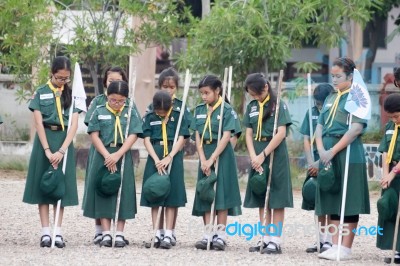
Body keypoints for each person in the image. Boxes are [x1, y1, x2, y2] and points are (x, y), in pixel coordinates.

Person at [22, 56, 81, 248]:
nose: (63, 81)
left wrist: (62, 150)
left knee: (60, 187)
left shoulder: (72, 95)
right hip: (45, 141)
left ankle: (58, 231)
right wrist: (47, 150)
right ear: (52, 73)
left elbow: (74, 125)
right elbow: (38, 122)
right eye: (59, 78)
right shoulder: (40, 92)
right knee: (44, 184)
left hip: (64, 141)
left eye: (66, 78)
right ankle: (45, 231)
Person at [315, 57, 370, 261]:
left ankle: (345, 248)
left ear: (350, 76)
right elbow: (320, 126)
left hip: (347, 152)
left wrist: (333, 151)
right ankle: (335, 243)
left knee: (349, 200)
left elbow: (355, 129)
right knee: (333, 198)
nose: (335, 80)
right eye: (333, 76)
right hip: (328, 152)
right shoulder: (330, 97)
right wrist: (321, 150)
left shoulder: (356, 97)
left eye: (339, 76)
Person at [83, 80, 142, 248]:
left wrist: (118, 154)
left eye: (121, 101)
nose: (117, 104)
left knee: (123, 192)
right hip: (103, 155)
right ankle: (106, 232)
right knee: (103, 190)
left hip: (122, 154)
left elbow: (134, 134)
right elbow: (94, 134)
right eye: (113, 100)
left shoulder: (130, 112)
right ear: (107, 97)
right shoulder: (99, 110)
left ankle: (120, 233)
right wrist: (107, 155)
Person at [243, 73, 293, 254]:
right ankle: (264, 237)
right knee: (261, 194)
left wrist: (263, 154)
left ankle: (275, 240)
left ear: (265, 87)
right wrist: (253, 156)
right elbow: (248, 133)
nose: (254, 97)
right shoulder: (252, 107)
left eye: (256, 94)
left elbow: (281, 133)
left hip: (274, 153)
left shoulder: (278, 105)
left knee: (276, 198)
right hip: (257, 153)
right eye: (251, 95)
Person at [192, 74, 242, 251]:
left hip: (222, 154)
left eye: (207, 93)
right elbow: (197, 136)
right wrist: (204, 159)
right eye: (202, 93)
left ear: (217, 91)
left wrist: (212, 158)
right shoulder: (199, 110)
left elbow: (227, 136)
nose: (204, 96)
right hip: (204, 154)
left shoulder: (226, 110)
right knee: (206, 191)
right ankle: (207, 234)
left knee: (221, 194)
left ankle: (220, 235)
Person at [145, 67, 193, 246]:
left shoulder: (180, 108)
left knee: (172, 194)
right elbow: (146, 137)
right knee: (155, 191)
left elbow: (183, 136)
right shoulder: (152, 107)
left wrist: (170, 156)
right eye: (164, 87)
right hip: (156, 154)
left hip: (173, 153)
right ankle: (157, 231)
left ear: (177, 88)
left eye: (171, 87)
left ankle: (170, 233)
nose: (168, 90)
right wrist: (158, 159)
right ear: (159, 87)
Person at [300, 83, 334, 253]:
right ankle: (320, 240)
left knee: (329, 202)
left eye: (322, 103)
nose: (319, 107)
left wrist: (320, 164)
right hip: (313, 162)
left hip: (329, 162)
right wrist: (311, 162)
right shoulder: (311, 112)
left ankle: (330, 240)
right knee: (317, 202)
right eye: (317, 104)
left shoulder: (334, 113)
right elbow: (306, 139)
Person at [377, 93, 400, 264]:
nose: (394, 119)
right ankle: (397, 248)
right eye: (391, 116)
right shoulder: (390, 126)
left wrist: (393, 173)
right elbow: (385, 150)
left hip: (397, 172)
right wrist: (385, 173)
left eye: (396, 116)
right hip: (391, 171)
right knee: (390, 207)